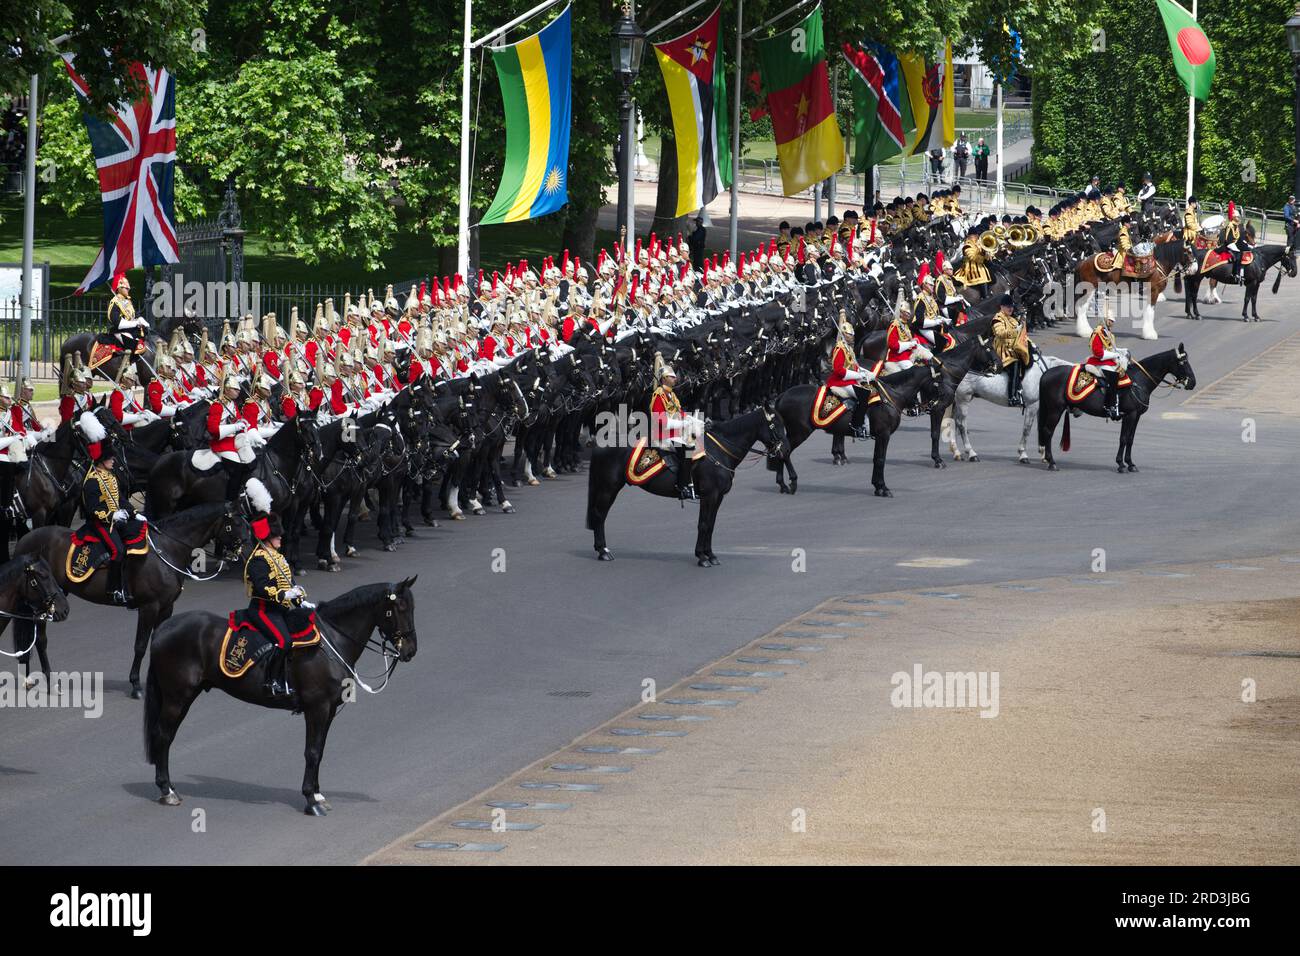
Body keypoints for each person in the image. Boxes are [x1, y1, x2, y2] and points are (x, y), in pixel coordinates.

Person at [243, 512, 311, 699]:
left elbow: (289, 583)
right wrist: (284, 594)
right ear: (266, 537)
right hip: (263, 610)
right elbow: (261, 587)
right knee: (284, 641)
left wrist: (300, 600)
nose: (280, 537)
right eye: (276, 535)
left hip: (280, 609)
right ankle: (271, 680)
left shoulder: (278, 558)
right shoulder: (258, 559)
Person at [79, 440, 139, 606]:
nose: (113, 460)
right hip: (101, 523)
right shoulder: (91, 480)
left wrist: (134, 513)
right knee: (118, 551)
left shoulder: (110, 477)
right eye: (110, 458)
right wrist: (112, 516)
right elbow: (92, 509)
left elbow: (120, 499)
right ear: (101, 460)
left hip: (116, 519)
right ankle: (113, 589)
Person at [650, 355, 700, 501]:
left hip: (675, 431)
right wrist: (683, 424)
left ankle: (691, 480)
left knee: (697, 439)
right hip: (663, 433)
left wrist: (692, 419)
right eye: (672, 377)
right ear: (664, 379)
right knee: (687, 450)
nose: (675, 379)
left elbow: (680, 412)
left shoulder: (671, 394)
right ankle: (681, 485)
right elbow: (662, 421)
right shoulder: (658, 395)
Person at [826, 311, 876, 441]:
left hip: (850, 380)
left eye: (852, 335)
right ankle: (857, 425)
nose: (852, 337)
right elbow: (838, 370)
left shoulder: (848, 348)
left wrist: (866, 373)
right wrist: (858, 375)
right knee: (864, 395)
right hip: (840, 382)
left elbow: (855, 365)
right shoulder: (840, 348)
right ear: (843, 334)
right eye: (849, 335)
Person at [1086, 313, 1127, 421]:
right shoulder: (1098, 333)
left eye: (1113, 321)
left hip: (1108, 361)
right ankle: (1110, 406)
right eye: (1110, 320)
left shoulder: (1108, 333)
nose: (1112, 323)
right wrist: (1115, 355)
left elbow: (1112, 349)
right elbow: (1098, 352)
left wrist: (1122, 351)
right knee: (1113, 378)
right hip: (1098, 362)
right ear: (1105, 319)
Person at [992, 294, 1030, 406]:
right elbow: (1000, 333)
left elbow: (1022, 335)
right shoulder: (997, 319)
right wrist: (1015, 331)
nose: (1010, 309)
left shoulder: (1012, 319)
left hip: (1014, 348)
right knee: (1015, 365)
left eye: (1011, 307)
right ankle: (1012, 396)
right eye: (1008, 306)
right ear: (1001, 307)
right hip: (1002, 350)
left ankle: (1021, 388)